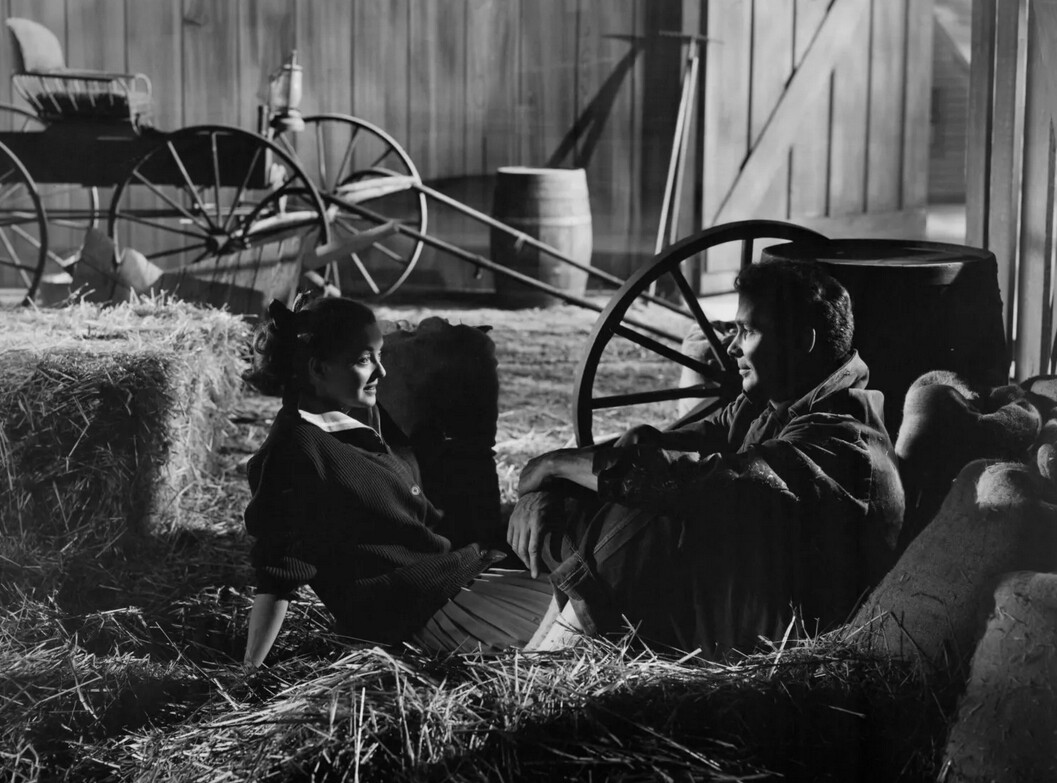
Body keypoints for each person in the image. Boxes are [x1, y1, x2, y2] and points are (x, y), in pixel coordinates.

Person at [508, 260, 905, 656]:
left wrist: (553, 465)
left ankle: (542, 663)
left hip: (790, 633)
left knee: (656, 513)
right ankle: (539, 654)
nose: (732, 347)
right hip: (741, 595)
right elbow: (670, 445)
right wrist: (555, 485)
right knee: (633, 484)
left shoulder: (840, 436)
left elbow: (696, 484)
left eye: (749, 331)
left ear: (803, 341)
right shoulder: (771, 403)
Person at [241, 296, 553, 668]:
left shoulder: (358, 417)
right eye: (364, 360)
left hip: (453, 578)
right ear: (318, 368)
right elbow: (277, 576)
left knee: (588, 588)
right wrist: (249, 671)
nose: (382, 372)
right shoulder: (294, 451)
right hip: (423, 612)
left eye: (379, 356)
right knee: (582, 619)